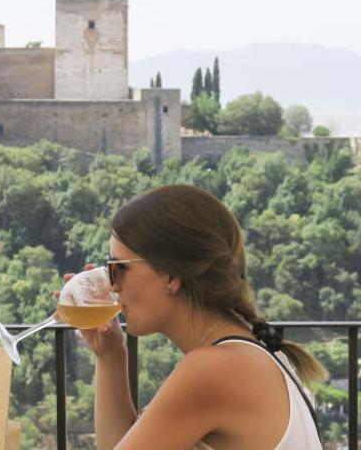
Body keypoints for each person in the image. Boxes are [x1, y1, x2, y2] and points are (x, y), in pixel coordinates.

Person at [77, 184, 326, 450]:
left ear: (170, 276)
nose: (112, 285)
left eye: (117, 269)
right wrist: (110, 355)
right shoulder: (246, 354)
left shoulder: (215, 369)